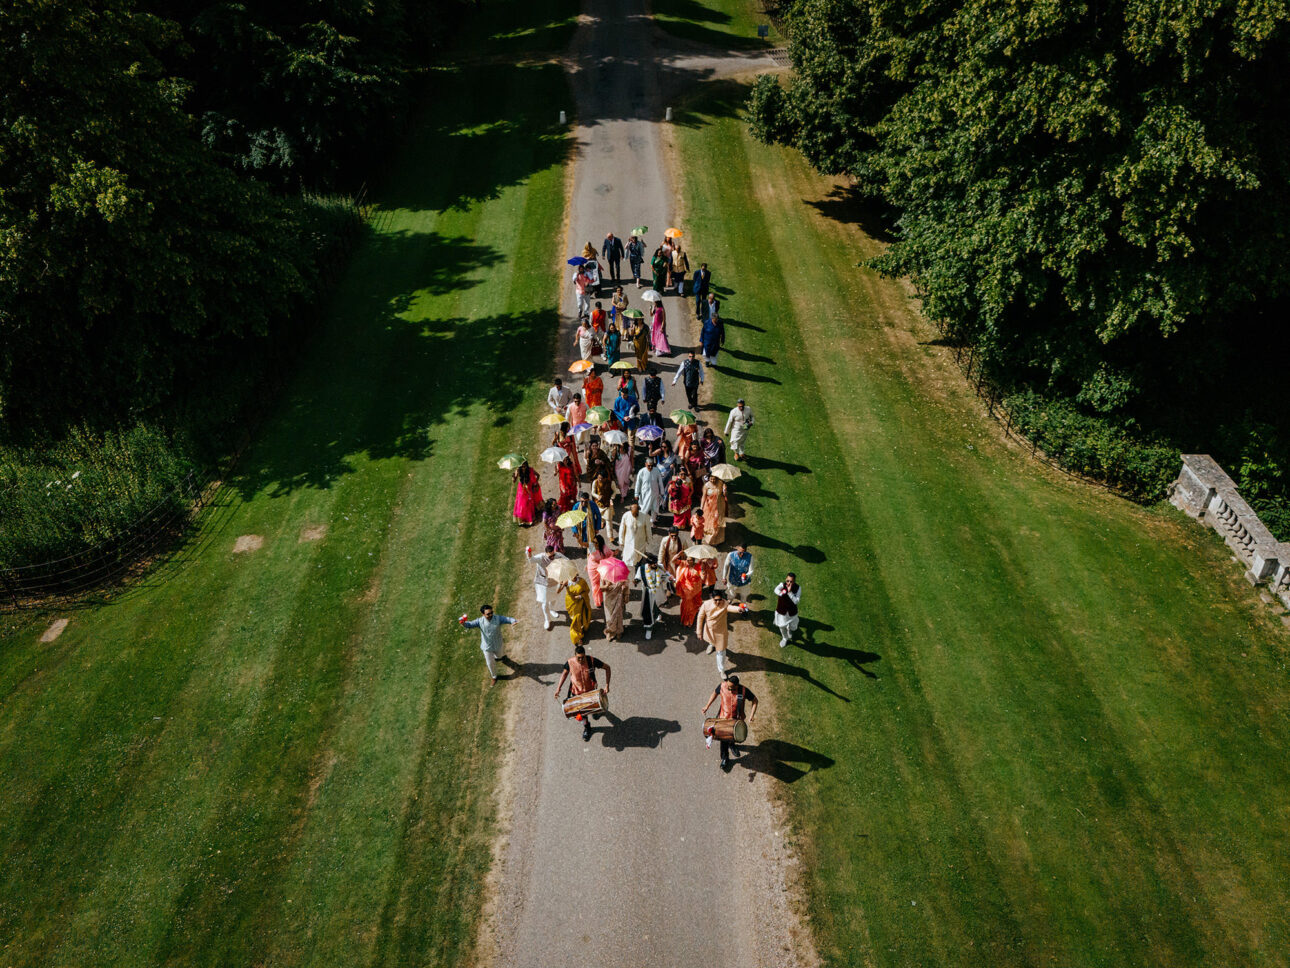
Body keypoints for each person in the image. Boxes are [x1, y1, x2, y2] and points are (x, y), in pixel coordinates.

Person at [554, 644, 611, 741]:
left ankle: (595, 712)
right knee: (581, 715)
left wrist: (607, 685)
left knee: (595, 708)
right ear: (575, 655)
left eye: (583, 657)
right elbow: (564, 674)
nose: (581, 660)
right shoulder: (569, 663)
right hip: (577, 694)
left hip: (591, 692)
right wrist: (558, 688)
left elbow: (607, 668)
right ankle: (587, 728)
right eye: (578, 658)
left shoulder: (591, 660)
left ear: (585, 655)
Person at [701, 675, 757, 770]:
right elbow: (714, 693)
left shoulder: (743, 690)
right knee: (723, 740)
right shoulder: (722, 686)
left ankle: (732, 744)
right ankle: (725, 758)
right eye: (728, 686)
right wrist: (707, 706)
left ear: (737, 686)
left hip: (736, 720)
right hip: (723, 719)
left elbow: (755, 700)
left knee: (733, 735)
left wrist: (752, 715)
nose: (728, 689)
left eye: (731, 688)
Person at [459, 604, 516, 682]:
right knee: (490, 663)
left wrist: (513, 621)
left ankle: (498, 658)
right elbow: (469, 625)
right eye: (488, 614)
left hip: (498, 644)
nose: (491, 615)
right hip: (487, 647)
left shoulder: (498, 618)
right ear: (483, 614)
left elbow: (507, 619)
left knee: (499, 656)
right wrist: (463, 623)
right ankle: (494, 677)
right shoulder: (479, 621)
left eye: (491, 612)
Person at [696, 590, 733, 674]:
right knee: (711, 640)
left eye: (719, 599)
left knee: (721, 652)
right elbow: (700, 618)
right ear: (712, 598)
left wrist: (739, 609)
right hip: (709, 630)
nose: (718, 602)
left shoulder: (725, 604)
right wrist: (699, 632)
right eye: (716, 600)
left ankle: (721, 670)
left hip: (721, 633)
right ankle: (712, 645)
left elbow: (731, 608)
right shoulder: (706, 604)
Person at [637, 554, 667, 638]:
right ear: (649, 564)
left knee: (655, 606)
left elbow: (665, 576)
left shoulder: (659, 568)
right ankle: (649, 628)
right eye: (654, 564)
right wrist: (636, 580)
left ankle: (658, 613)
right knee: (647, 611)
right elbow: (638, 577)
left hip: (658, 591)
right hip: (647, 593)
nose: (656, 565)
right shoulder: (642, 569)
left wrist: (670, 579)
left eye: (656, 563)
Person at [562, 572, 593, 645]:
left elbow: (587, 590)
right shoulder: (566, 582)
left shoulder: (582, 581)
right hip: (572, 603)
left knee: (582, 615)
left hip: (581, 602)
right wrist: (562, 585)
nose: (573, 577)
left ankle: (583, 627)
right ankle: (577, 637)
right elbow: (557, 591)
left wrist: (580, 596)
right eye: (571, 576)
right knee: (576, 619)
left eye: (574, 575)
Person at [774, 573, 802, 648]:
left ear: (794, 581)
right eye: (787, 581)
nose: (789, 583)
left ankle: (789, 629)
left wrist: (790, 593)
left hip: (792, 612)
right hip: (782, 611)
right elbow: (776, 590)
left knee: (793, 627)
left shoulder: (798, 588)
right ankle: (784, 638)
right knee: (781, 626)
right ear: (786, 579)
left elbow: (796, 601)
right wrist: (780, 593)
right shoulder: (782, 585)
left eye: (791, 581)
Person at [618, 499, 649, 566]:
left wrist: (649, 539)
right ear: (630, 510)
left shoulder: (644, 516)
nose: (635, 515)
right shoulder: (626, 516)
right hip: (629, 541)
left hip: (640, 541)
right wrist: (621, 540)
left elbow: (648, 529)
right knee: (628, 558)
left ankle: (638, 569)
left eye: (636, 513)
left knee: (639, 558)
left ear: (638, 510)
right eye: (633, 514)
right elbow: (622, 529)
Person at [674, 557, 704, 626]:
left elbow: (702, 577)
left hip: (695, 589)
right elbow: (673, 560)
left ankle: (689, 620)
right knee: (687, 605)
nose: (688, 561)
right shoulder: (684, 563)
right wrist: (679, 554)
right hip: (686, 589)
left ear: (693, 561)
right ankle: (686, 620)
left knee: (692, 605)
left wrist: (700, 573)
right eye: (687, 560)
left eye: (690, 560)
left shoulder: (698, 566)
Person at [634, 457, 663, 523]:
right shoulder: (641, 471)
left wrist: (662, 492)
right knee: (644, 508)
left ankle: (652, 521)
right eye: (648, 466)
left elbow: (660, 482)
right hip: (645, 493)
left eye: (651, 466)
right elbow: (638, 483)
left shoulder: (656, 470)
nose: (650, 467)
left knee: (655, 508)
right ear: (645, 464)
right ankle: (642, 522)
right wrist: (636, 494)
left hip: (655, 493)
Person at [512, 460, 542, 525]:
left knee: (529, 501)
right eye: (522, 467)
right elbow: (514, 481)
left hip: (529, 487)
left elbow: (538, 475)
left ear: (527, 466)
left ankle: (530, 516)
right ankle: (522, 518)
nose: (523, 468)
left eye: (524, 466)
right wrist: (513, 477)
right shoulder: (518, 471)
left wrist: (535, 483)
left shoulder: (530, 470)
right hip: (521, 489)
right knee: (522, 502)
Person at [701, 473, 726, 544]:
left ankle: (717, 539)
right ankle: (709, 539)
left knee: (717, 522)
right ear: (709, 478)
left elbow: (724, 495)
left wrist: (725, 491)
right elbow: (704, 496)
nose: (712, 480)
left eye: (714, 479)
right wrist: (701, 507)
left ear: (717, 478)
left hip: (719, 506)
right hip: (709, 507)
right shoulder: (706, 486)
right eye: (711, 479)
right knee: (710, 522)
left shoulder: (721, 483)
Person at [586, 532, 607, 607]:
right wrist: (579, 540)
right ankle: (598, 602)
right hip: (592, 570)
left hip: (600, 569)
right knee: (595, 586)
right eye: (593, 542)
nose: (594, 543)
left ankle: (601, 599)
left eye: (596, 542)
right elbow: (588, 555)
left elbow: (609, 555)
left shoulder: (604, 549)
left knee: (600, 584)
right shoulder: (592, 546)